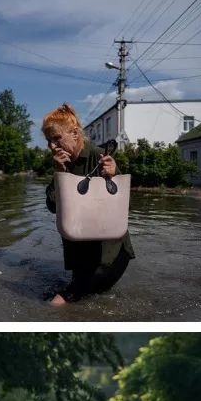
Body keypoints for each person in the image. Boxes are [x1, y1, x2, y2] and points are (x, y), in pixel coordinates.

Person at [41, 103, 135, 306]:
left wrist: (114, 174)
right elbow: (53, 207)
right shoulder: (62, 163)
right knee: (85, 301)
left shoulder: (99, 156)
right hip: (81, 254)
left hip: (109, 255)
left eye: (57, 138)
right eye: (49, 140)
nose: (52, 146)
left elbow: (125, 207)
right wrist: (59, 173)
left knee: (57, 304)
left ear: (75, 134)